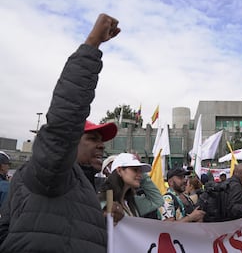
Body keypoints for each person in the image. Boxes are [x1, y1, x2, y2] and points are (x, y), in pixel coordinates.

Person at [0, 13, 122, 253]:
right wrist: (91, 46)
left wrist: (106, 219)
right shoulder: (50, 173)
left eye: (102, 141)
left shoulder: (85, 186)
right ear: (70, 143)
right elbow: (64, 124)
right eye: (92, 139)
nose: (101, 146)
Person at [98, 153, 163, 218]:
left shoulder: (132, 202)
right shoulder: (104, 202)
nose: (140, 174)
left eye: (141, 171)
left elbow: (157, 201)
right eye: (135, 169)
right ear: (119, 171)